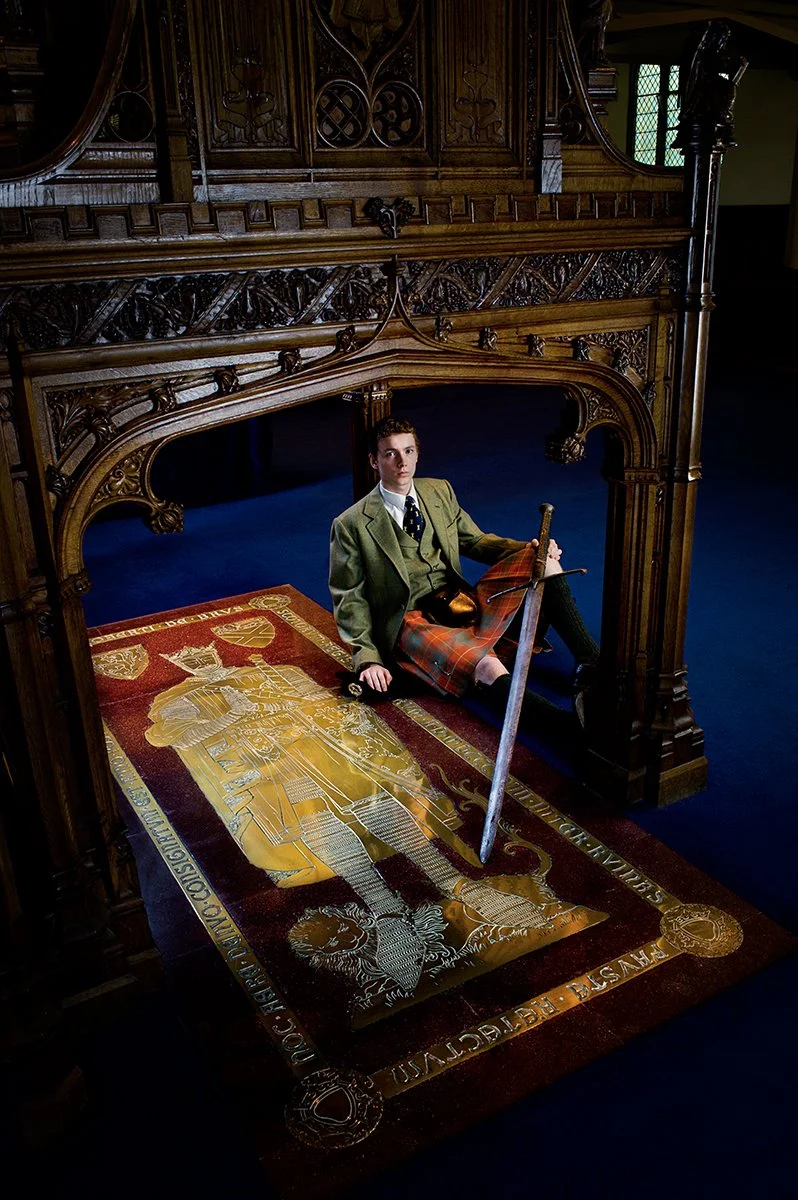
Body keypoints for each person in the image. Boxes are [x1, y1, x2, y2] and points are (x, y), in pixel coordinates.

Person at [328, 416, 599, 734]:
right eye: (390, 453)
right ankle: (566, 729)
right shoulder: (351, 523)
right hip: (412, 622)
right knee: (484, 663)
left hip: (459, 600)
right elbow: (349, 597)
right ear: (374, 460)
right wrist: (367, 657)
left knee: (543, 564)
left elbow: (476, 541)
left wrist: (530, 548)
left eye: (409, 451)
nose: (402, 462)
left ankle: (592, 664)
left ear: (417, 453)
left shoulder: (438, 491)